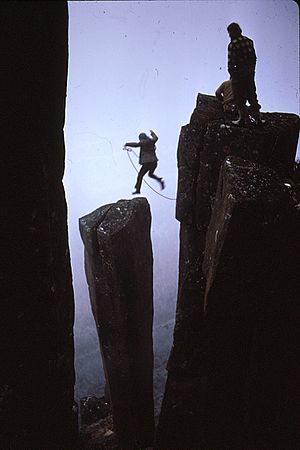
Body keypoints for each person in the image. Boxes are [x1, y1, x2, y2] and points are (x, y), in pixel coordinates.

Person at [227, 22, 263, 126]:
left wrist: (232, 75)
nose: (229, 35)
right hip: (249, 72)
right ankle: (258, 119)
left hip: (238, 75)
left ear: (232, 32)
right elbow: (254, 58)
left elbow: (230, 63)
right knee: (252, 95)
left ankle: (242, 119)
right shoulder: (249, 41)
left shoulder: (232, 45)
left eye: (229, 32)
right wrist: (251, 70)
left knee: (240, 97)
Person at [125, 130, 165, 195]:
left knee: (140, 175)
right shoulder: (151, 141)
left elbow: (136, 144)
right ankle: (160, 180)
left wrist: (127, 144)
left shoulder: (144, 142)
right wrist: (152, 133)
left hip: (148, 163)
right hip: (154, 162)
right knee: (150, 174)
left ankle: (138, 189)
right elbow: (155, 138)